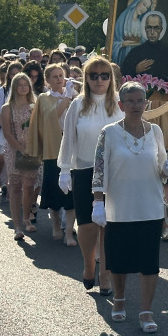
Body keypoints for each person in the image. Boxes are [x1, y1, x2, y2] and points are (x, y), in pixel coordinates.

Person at [93, 81, 168, 332]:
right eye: (131, 101)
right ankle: (119, 298)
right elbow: (99, 168)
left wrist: (167, 169)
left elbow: (161, 165)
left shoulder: (155, 132)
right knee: (119, 260)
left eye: (140, 100)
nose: (136, 105)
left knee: (149, 261)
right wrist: (98, 201)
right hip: (120, 206)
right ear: (121, 105)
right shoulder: (109, 132)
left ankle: (146, 311)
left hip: (149, 206)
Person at [58, 56, 124, 292]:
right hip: (85, 169)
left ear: (111, 79)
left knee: (110, 225)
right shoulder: (78, 104)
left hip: (115, 172)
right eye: (93, 75)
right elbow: (69, 138)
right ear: (86, 78)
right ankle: (89, 264)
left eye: (104, 75)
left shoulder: (119, 103)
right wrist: (65, 169)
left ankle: (105, 273)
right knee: (87, 223)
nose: (99, 80)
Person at [29, 63, 76, 244]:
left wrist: (73, 97)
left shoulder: (73, 95)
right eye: (54, 76)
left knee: (71, 193)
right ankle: (56, 223)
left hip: (72, 150)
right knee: (54, 192)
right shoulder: (44, 98)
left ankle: (70, 232)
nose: (58, 79)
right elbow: (50, 118)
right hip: (53, 151)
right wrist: (66, 99)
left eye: (61, 75)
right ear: (47, 80)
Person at [0, 73, 40, 241]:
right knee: (14, 187)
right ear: (14, 87)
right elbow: (7, 132)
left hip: (32, 149)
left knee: (29, 187)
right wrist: (19, 148)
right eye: (20, 84)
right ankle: (17, 225)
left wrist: (33, 147)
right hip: (14, 150)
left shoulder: (35, 105)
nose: (23, 87)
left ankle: (26, 218)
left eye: (26, 84)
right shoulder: (7, 107)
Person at [0, 61, 22, 197]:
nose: (14, 77)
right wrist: (9, 131)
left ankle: (14, 189)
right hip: (5, 130)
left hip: (21, 130)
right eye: (12, 74)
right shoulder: (2, 91)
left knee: (17, 160)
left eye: (17, 74)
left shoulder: (25, 90)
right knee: (1, 158)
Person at [120, 12, 168, 81]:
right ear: (145, 29)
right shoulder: (135, 52)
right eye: (149, 27)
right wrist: (135, 70)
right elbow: (123, 74)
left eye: (156, 28)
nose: (152, 32)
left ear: (161, 29)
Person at [112, 0, 155, 66]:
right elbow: (113, 42)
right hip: (123, 56)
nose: (144, 9)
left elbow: (143, 42)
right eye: (144, 4)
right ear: (138, 1)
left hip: (136, 59)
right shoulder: (123, 18)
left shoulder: (140, 23)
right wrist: (122, 44)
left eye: (147, 7)